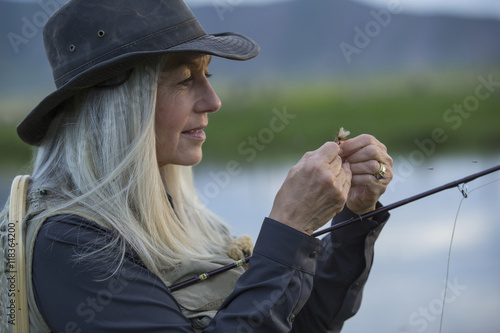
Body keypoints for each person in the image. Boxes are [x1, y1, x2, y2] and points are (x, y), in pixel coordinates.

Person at [0, 0, 393, 332]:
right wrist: (290, 229)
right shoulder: (70, 246)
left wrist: (353, 219)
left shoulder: (180, 216)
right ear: (120, 110)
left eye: (207, 74)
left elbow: (307, 321)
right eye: (185, 80)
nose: (213, 100)